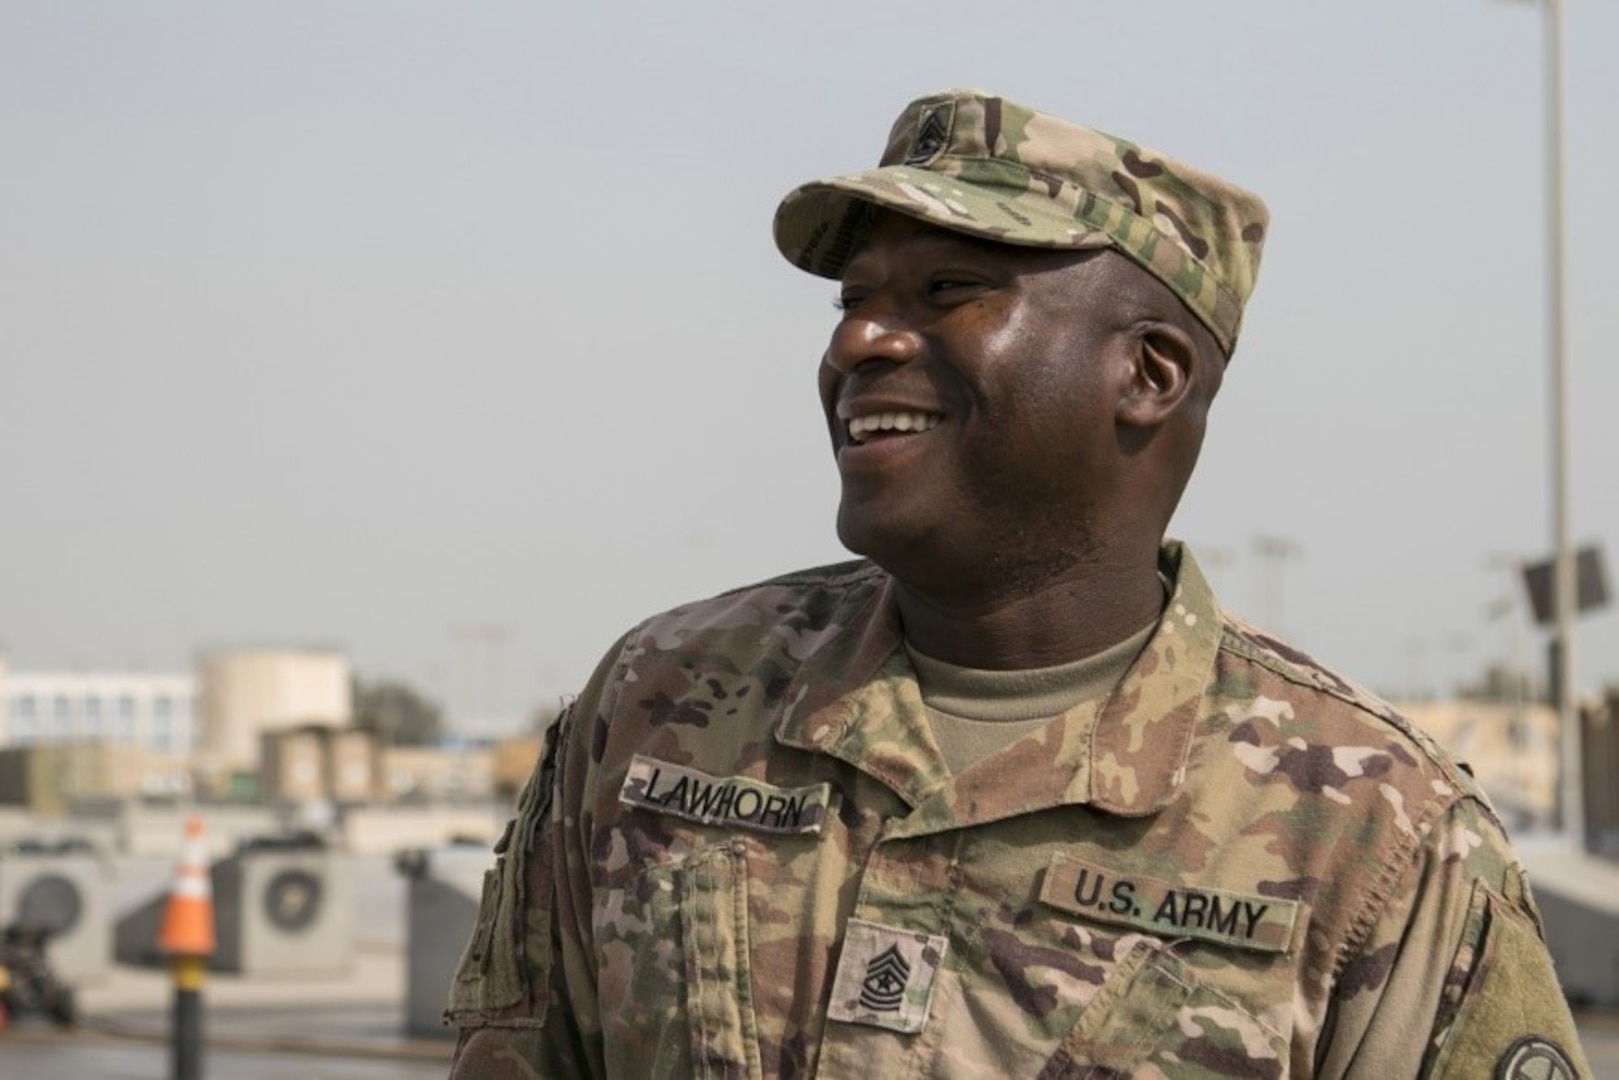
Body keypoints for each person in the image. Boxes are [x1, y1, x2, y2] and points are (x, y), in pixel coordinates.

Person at [445, 89, 1590, 1078]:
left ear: (1147, 373)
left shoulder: (1363, 828)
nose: (858, 344)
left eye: (946, 290)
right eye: (852, 299)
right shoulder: (664, 704)